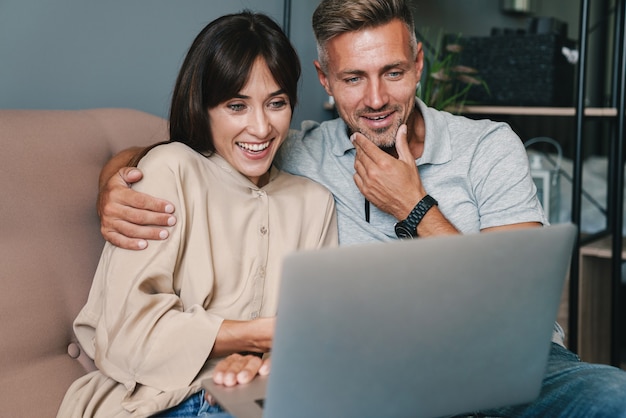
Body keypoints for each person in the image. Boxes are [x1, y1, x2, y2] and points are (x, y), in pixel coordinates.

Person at [97, 0, 626, 417]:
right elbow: (204, 143)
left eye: (392, 72)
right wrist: (114, 178)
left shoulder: (488, 147)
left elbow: (516, 303)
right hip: (381, 378)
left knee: (612, 398)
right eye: (353, 78)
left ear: (419, 64)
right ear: (325, 81)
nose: (375, 98)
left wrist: (414, 208)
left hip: (510, 366)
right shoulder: (299, 153)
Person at [57, 11, 337, 418]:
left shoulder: (314, 202)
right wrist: (261, 335)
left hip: (263, 396)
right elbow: (127, 337)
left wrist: (267, 357)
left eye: (276, 103)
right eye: (236, 105)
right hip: (158, 401)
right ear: (204, 106)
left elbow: (316, 335)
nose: (260, 128)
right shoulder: (170, 170)